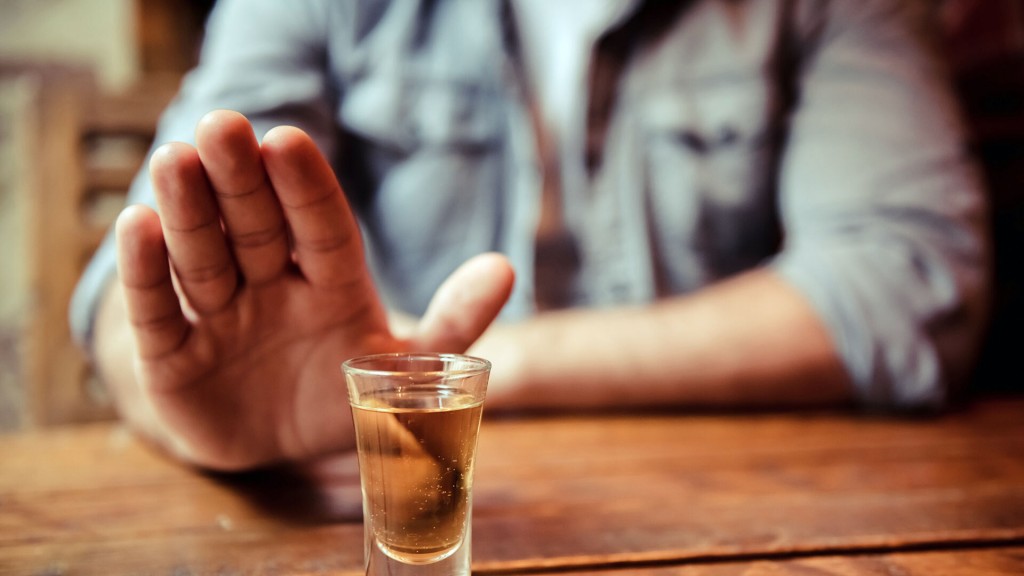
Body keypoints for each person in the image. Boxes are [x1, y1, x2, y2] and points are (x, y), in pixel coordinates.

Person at [70, 0, 990, 471]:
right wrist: (184, 411)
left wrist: (436, 377)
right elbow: (132, 270)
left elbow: (907, 281)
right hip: (373, 480)